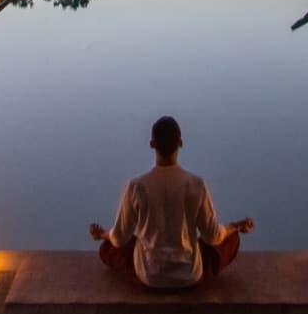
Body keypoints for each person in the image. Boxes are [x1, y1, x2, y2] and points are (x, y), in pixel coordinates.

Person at [88, 115, 254, 289]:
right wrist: (235, 227)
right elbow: (213, 237)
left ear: (152, 144)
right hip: (189, 276)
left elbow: (119, 238)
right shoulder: (196, 185)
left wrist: (102, 235)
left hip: (148, 276)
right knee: (231, 240)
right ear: (180, 142)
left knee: (108, 247)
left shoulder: (136, 187)